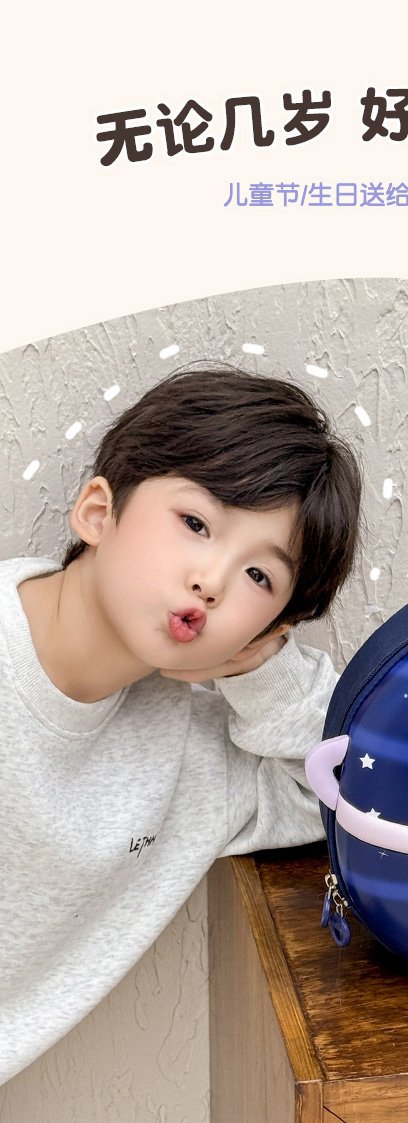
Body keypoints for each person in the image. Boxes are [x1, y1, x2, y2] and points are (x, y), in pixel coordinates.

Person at [0, 365, 362, 1084]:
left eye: (260, 577)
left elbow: (352, 781)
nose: (212, 581)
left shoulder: (198, 754)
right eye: (196, 524)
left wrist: (260, 672)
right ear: (97, 512)